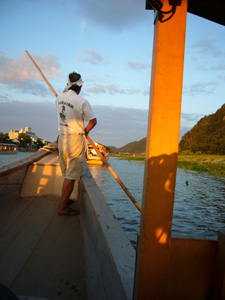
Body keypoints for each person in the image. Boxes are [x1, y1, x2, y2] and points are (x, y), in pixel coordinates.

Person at [55, 72, 97, 216]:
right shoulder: (82, 101)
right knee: (71, 175)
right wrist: (86, 131)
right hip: (74, 140)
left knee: (67, 173)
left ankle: (65, 201)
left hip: (62, 139)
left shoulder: (59, 98)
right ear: (80, 86)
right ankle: (62, 208)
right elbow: (93, 121)